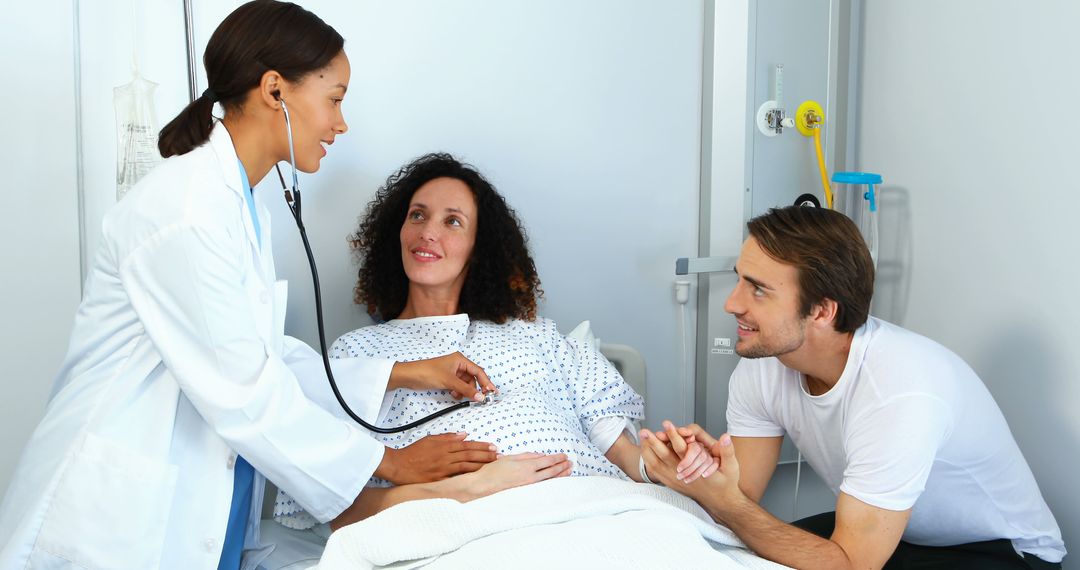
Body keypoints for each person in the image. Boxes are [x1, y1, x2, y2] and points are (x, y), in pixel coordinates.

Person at [0, 3, 566, 568]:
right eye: (335, 99)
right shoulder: (187, 211)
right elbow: (248, 392)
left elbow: (261, 357)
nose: (341, 123)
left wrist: (408, 371)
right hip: (111, 517)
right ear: (276, 91)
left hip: (190, 514)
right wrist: (393, 462)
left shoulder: (238, 208)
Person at [272, 153, 717, 530]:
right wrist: (460, 493)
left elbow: (624, 456)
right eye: (418, 215)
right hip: (469, 526)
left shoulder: (538, 335)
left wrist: (661, 464)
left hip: (598, 511)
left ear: (478, 249)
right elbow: (336, 506)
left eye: (453, 222)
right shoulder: (357, 354)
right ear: (397, 232)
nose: (429, 232)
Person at [639, 206, 1066, 570]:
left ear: (822, 310)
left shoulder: (900, 389)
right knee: (733, 557)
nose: (732, 303)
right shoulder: (764, 364)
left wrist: (728, 502)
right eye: (740, 279)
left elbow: (852, 564)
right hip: (896, 538)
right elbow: (742, 494)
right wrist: (703, 474)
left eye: (758, 289)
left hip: (1000, 552)